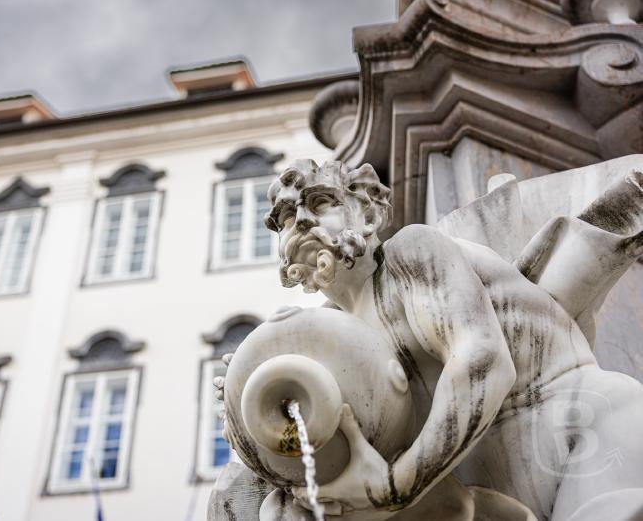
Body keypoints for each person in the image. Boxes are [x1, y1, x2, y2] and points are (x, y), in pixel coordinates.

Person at [218, 159, 643, 520]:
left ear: (367, 213)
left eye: (320, 203)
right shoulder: (329, 337)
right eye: (288, 219)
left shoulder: (411, 255)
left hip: (585, 431)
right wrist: (246, 418)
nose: (303, 223)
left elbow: (482, 362)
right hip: (500, 482)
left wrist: (396, 484)